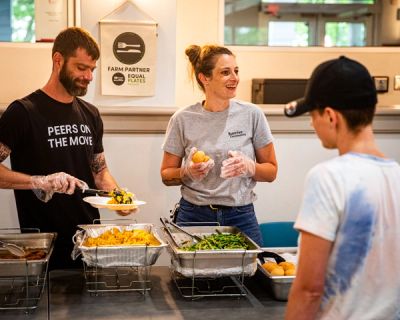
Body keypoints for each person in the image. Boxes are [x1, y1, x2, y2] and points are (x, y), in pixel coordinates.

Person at [0, 27, 133, 270]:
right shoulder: (23, 112)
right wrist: (39, 181)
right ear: (58, 60)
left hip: (88, 239)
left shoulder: (91, 114)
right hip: (43, 244)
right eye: (81, 68)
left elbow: (100, 172)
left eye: (92, 69)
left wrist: (118, 198)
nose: (89, 77)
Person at [284, 56, 400, 319]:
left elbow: (309, 290)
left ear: (330, 116)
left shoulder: (328, 178)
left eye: (312, 115)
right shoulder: (396, 175)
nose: (312, 124)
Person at [160, 44, 278, 245]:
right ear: (204, 78)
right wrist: (187, 173)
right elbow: (166, 175)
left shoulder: (252, 115)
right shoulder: (183, 118)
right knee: (192, 276)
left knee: (248, 275)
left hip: (241, 215)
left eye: (236, 71)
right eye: (225, 72)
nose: (235, 78)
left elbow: (271, 171)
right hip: (193, 215)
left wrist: (249, 167)